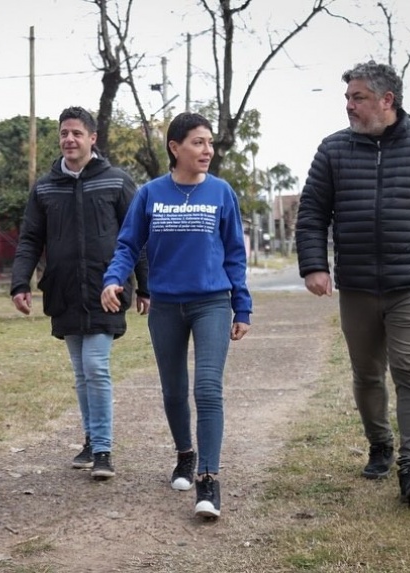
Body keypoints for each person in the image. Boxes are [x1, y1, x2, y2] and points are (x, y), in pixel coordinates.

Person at [295, 61, 410, 506]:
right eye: (347, 98)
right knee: (367, 373)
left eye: (357, 97)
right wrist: (313, 266)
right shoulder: (333, 150)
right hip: (357, 284)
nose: (349, 106)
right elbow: (312, 213)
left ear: (386, 100)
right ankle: (380, 444)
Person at [101, 112, 252, 519]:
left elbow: (235, 254)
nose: (207, 151)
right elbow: (128, 245)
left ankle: (208, 480)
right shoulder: (150, 194)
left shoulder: (221, 192)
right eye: (198, 143)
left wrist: (243, 305)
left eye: (210, 143)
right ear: (175, 147)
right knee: (173, 390)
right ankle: (185, 454)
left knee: (207, 388)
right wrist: (113, 279)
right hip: (165, 306)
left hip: (212, 303)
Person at [10, 106, 149, 481]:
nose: (69, 139)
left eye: (76, 133)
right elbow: (30, 240)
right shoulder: (44, 187)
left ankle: (103, 449)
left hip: (108, 288)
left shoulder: (117, 181)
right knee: (81, 372)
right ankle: (91, 440)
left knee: (96, 366)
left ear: (92, 138)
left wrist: (145, 285)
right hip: (65, 290)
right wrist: (19, 282)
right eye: (63, 133)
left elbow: (138, 236)